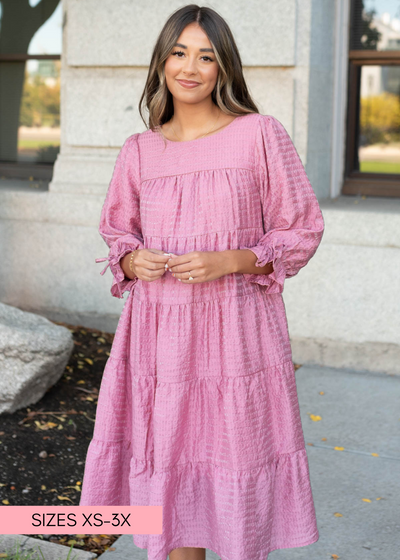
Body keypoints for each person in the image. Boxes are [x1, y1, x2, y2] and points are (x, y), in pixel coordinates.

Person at [79, 5, 325, 560]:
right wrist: (131, 261)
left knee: (229, 461)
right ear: (162, 62)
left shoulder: (260, 135)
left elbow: (302, 229)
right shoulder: (140, 150)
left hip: (235, 335)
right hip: (159, 338)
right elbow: (118, 232)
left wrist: (233, 259)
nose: (190, 68)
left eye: (206, 56)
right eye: (179, 52)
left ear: (224, 67)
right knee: (173, 470)